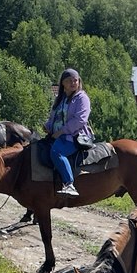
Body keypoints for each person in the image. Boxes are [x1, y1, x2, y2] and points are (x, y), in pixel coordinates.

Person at [44, 67, 94, 196]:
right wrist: (47, 126)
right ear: (63, 83)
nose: (73, 83)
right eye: (69, 80)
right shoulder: (60, 99)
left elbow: (80, 120)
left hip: (74, 136)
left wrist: (61, 132)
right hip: (56, 136)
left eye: (75, 80)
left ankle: (69, 184)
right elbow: (53, 118)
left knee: (57, 152)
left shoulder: (82, 98)